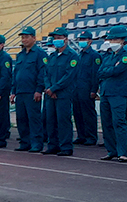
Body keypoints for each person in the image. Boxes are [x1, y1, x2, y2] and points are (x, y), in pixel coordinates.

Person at [98, 27, 127, 162]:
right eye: (111, 39)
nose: (113, 42)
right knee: (106, 123)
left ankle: (122, 152)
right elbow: (100, 71)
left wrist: (109, 71)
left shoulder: (125, 56)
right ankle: (111, 150)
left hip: (118, 93)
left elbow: (118, 70)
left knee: (119, 122)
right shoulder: (108, 56)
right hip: (106, 93)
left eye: (116, 39)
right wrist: (110, 70)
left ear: (123, 40)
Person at [41, 28, 78, 156]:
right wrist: (49, 88)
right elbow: (46, 74)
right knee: (50, 120)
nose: (56, 40)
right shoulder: (52, 56)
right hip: (50, 94)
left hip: (63, 93)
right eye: (55, 38)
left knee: (63, 120)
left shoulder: (72, 56)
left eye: (59, 37)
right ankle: (53, 145)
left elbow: (69, 76)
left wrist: (54, 88)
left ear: (66, 39)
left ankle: (66, 146)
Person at [11, 27, 45, 152]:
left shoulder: (40, 54)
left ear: (34, 38)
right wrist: (13, 91)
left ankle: (36, 143)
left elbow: (42, 72)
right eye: (22, 37)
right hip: (20, 91)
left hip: (32, 91)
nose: (24, 39)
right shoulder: (20, 55)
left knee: (34, 118)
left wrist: (38, 89)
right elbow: (16, 74)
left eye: (26, 37)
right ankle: (25, 142)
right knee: (21, 118)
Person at [73, 31, 100, 145]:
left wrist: (94, 90)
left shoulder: (94, 56)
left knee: (88, 113)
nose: (81, 42)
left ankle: (91, 136)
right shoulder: (80, 55)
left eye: (84, 39)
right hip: (77, 88)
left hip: (87, 88)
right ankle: (81, 135)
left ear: (90, 41)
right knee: (77, 113)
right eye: (80, 40)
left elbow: (95, 74)